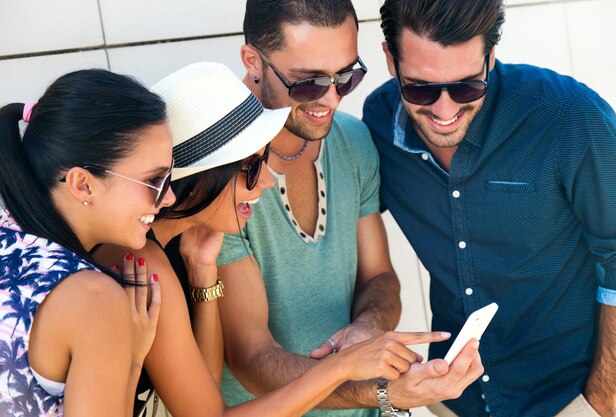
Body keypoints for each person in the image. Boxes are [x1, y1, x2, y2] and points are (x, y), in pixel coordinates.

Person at [95, 61, 443, 417]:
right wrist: (343, 367)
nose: (264, 182)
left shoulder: (178, 247)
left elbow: (206, 386)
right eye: (249, 168)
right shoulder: (141, 259)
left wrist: (201, 273)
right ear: (199, 176)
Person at [213, 1, 484, 416]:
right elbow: (251, 357)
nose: (331, 99)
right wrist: (376, 390)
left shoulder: (354, 142)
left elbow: (379, 278)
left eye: (346, 77)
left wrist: (367, 328)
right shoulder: (219, 175)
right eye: (307, 83)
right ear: (253, 61)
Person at [362, 0, 616, 416]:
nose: (444, 110)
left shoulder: (569, 117)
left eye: (467, 86)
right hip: (452, 400)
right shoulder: (377, 122)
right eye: (420, 88)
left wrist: (601, 398)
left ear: (490, 58)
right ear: (390, 60)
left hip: (567, 398)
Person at [0, 69, 166, 416]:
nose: (170, 197)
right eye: (155, 180)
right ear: (83, 184)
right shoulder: (95, 299)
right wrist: (133, 359)